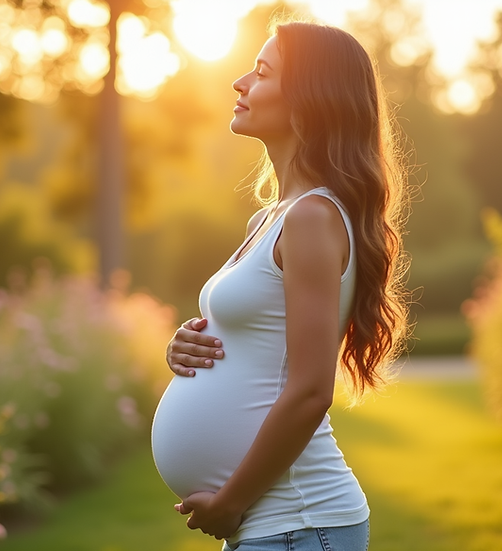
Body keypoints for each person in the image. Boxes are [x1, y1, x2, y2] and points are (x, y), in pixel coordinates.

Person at [150, 19, 408, 551]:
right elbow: (260, 343)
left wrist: (232, 501)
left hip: (298, 520)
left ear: (309, 99)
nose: (239, 82)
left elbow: (312, 390)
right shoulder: (272, 218)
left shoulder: (312, 217)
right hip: (279, 525)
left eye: (262, 72)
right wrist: (187, 343)